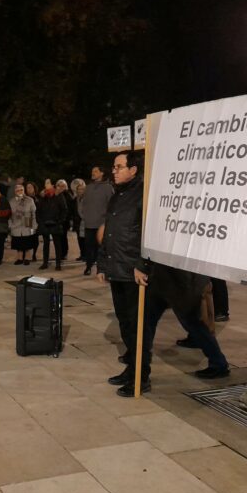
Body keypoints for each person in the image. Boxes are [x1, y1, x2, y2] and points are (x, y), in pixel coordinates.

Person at [96, 152, 146, 396]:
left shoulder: (143, 196)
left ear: (133, 169)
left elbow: (148, 236)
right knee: (125, 323)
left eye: (119, 167)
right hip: (117, 269)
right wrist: (103, 265)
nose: (113, 171)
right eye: (113, 167)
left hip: (133, 272)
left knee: (138, 328)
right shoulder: (117, 196)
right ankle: (131, 368)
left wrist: (142, 265)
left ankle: (140, 377)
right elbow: (110, 232)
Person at [80, 165, 113, 276]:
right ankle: (88, 267)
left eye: (95, 171)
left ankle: (101, 270)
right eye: (92, 171)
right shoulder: (88, 187)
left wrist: (106, 220)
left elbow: (112, 205)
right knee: (89, 247)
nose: (93, 173)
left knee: (101, 248)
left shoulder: (108, 187)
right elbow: (82, 204)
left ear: (102, 173)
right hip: (89, 224)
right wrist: (84, 216)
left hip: (101, 225)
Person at [37, 179, 68, 271]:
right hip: (44, 224)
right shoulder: (43, 196)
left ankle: (58, 264)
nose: (47, 186)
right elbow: (38, 211)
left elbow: (64, 210)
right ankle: (45, 263)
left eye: (48, 184)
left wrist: (59, 221)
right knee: (45, 244)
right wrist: (40, 222)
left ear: (52, 185)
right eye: (46, 184)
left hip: (55, 223)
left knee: (57, 244)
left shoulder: (59, 195)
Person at [9, 183, 37, 265]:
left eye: (21, 190)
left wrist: (34, 224)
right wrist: (10, 224)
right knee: (18, 242)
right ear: (15, 191)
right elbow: (9, 214)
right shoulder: (12, 201)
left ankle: (28, 258)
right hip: (16, 223)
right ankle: (20, 258)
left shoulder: (29, 200)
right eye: (17, 190)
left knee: (27, 241)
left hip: (27, 221)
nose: (19, 191)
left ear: (24, 190)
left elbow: (34, 212)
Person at [56, 179, 76, 260]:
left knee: (63, 237)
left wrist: (69, 219)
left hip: (65, 220)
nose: (61, 187)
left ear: (66, 187)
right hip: (56, 219)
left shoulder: (68, 195)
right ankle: (59, 253)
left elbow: (70, 208)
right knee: (57, 237)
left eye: (63, 186)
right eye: (59, 185)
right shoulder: (56, 194)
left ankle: (64, 253)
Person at [25, 182, 40, 261]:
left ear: (34, 188)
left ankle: (34, 254)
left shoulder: (38, 198)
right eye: (27, 187)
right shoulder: (24, 198)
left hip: (35, 220)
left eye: (30, 187)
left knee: (34, 238)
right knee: (27, 238)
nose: (29, 189)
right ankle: (27, 255)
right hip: (27, 220)